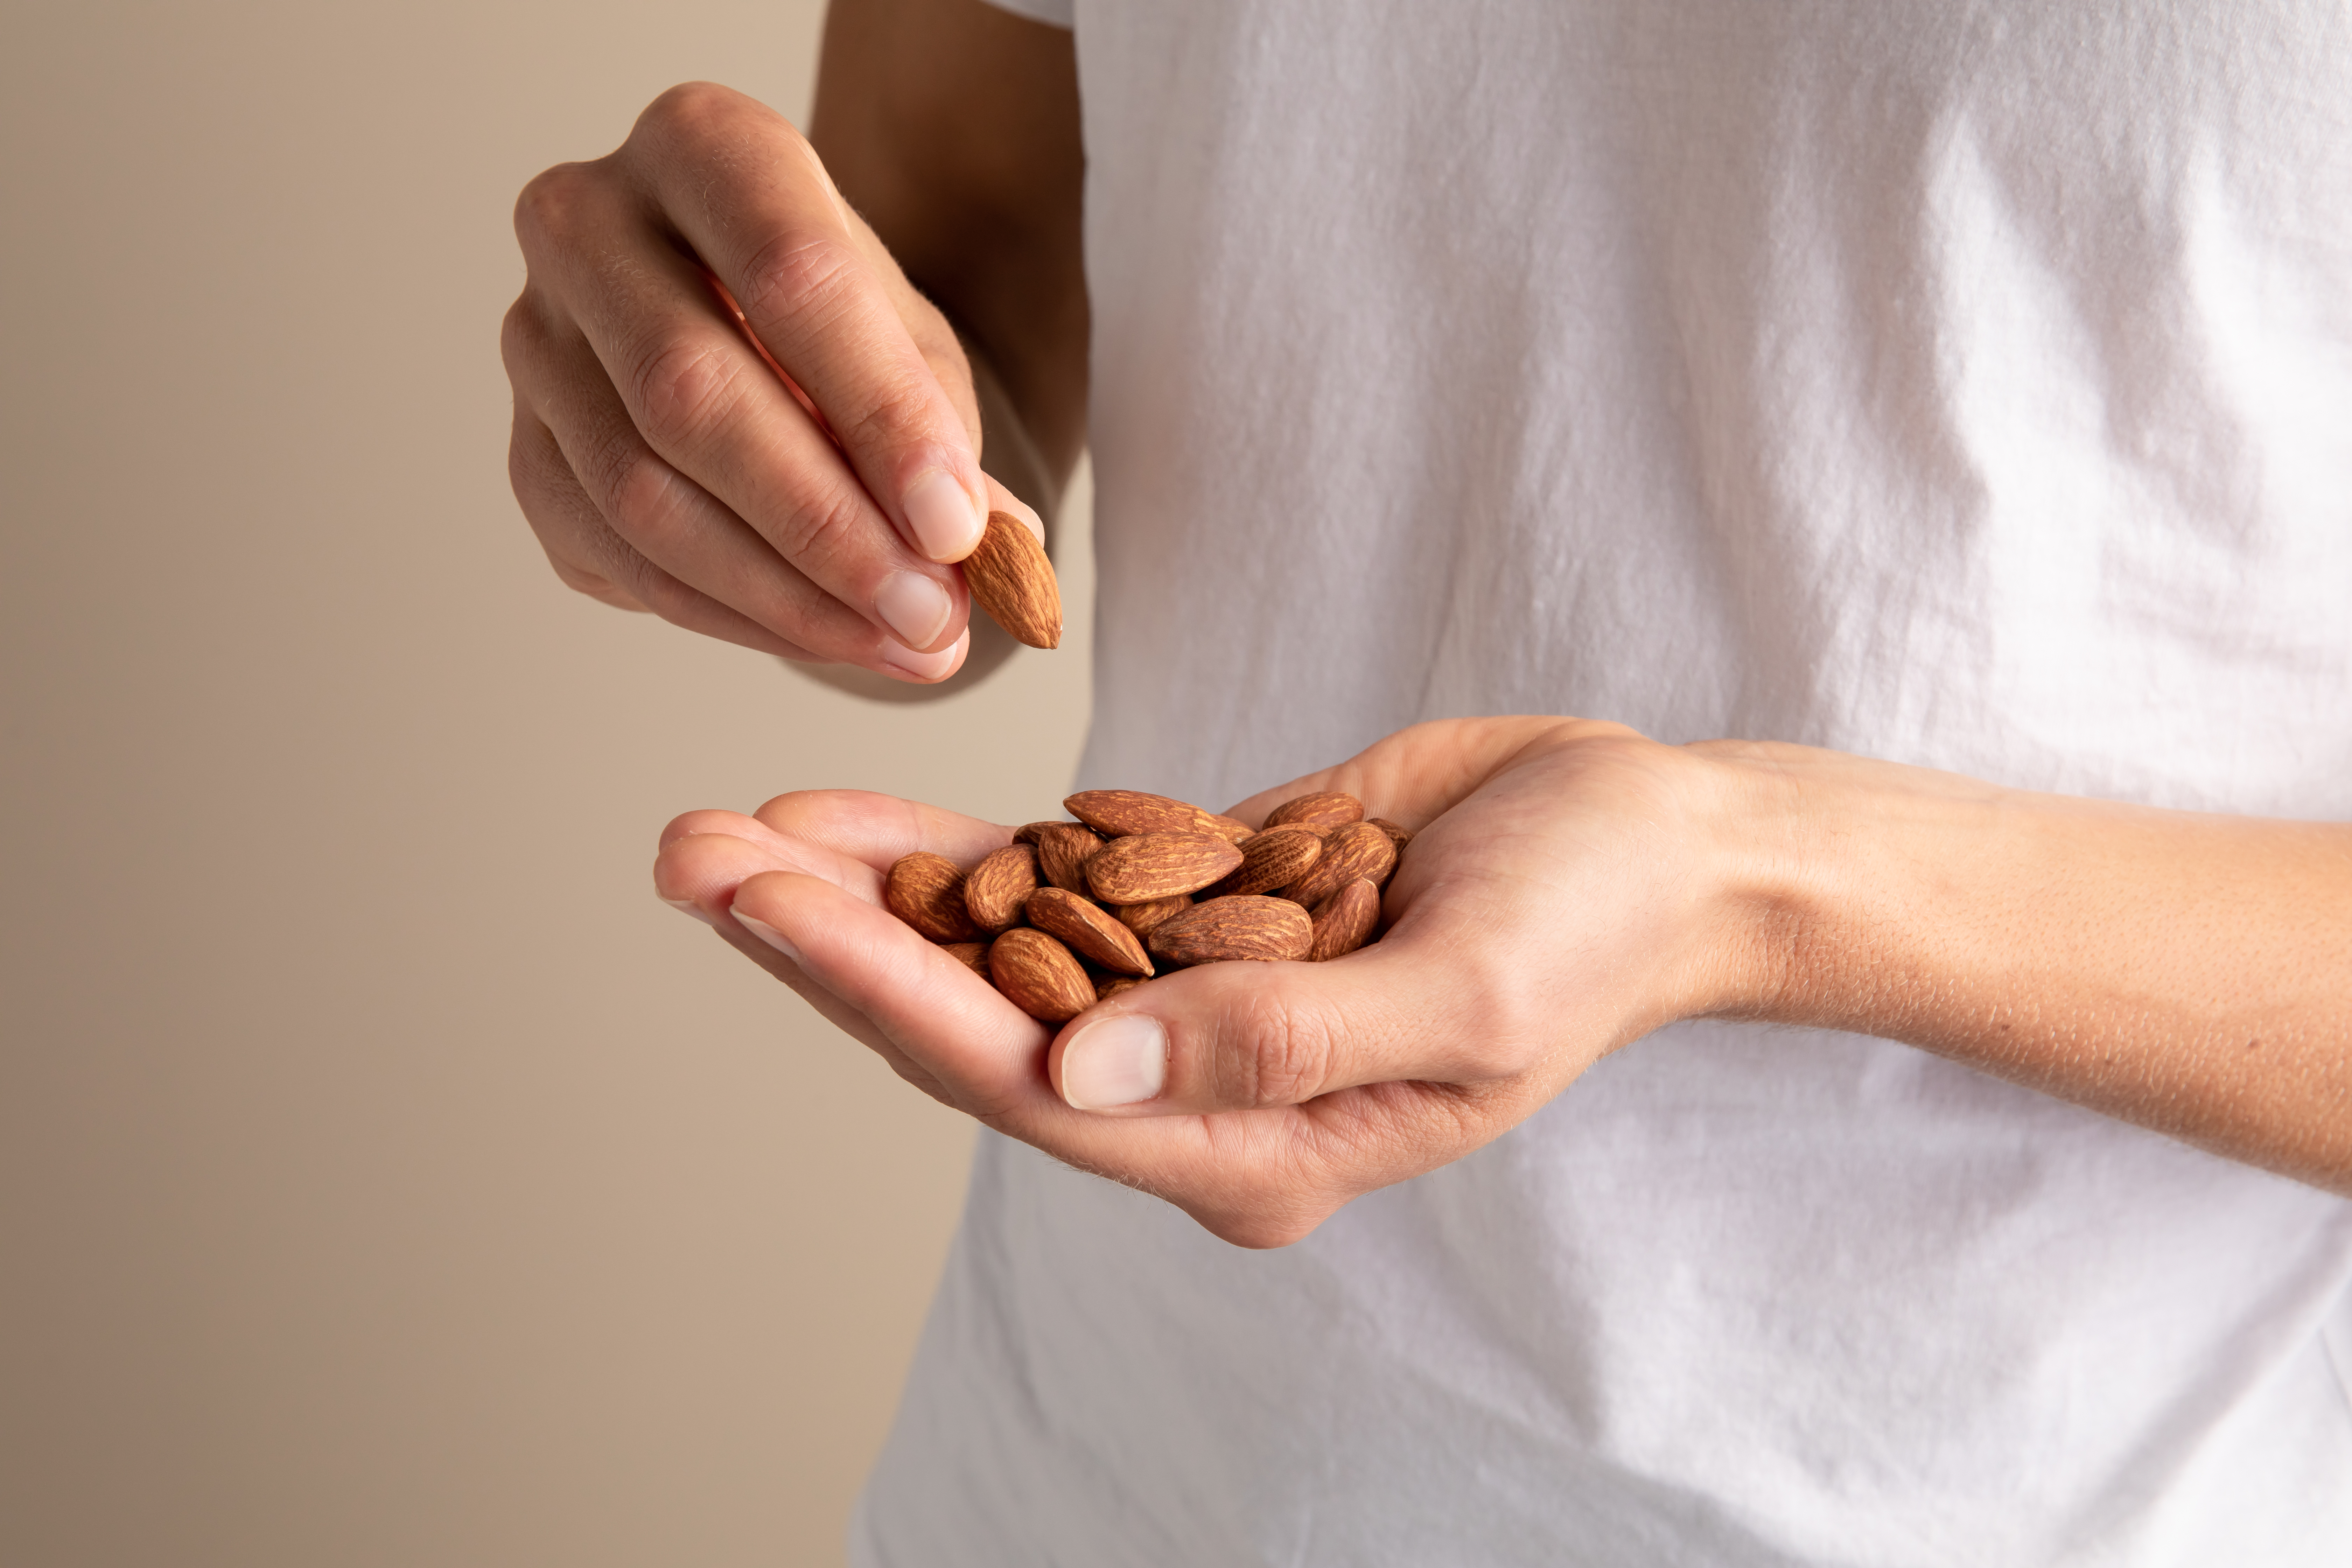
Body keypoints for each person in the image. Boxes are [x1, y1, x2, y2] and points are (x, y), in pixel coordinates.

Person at [502, 0, 2352, 1559]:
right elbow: (963, 260)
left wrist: (1754, 880)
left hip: (2010, 1491)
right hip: (1098, 1462)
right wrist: (799, 453)